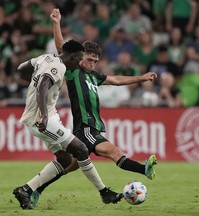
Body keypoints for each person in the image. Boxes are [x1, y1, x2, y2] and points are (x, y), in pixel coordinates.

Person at [27, 8, 158, 208]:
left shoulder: (93, 76)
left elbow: (116, 80)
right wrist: (56, 23)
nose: (92, 64)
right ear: (80, 57)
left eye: (96, 61)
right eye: (89, 60)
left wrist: (141, 78)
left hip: (93, 126)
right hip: (85, 128)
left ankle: (36, 188)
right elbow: (62, 47)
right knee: (113, 152)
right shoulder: (72, 72)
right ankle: (143, 170)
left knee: (68, 166)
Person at [13, 39, 122, 209]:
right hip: (41, 120)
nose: (79, 63)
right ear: (71, 56)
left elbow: (21, 68)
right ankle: (104, 192)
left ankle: (25, 190)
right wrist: (43, 115)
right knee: (81, 150)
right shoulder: (60, 67)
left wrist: (32, 81)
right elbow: (42, 86)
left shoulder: (45, 58)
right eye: (78, 59)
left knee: (65, 159)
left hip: (48, 116)